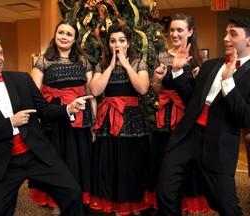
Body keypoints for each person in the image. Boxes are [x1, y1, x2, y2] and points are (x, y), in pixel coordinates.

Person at [0, 35, 93, 216]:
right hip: (4, 162)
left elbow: (44, 110)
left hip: (37, 154)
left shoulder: (22, 79)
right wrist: (10, 123)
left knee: (72, 192)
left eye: (0, 53)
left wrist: (67, 109)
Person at [156, 17, 250, 216]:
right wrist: (178, 71)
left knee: (226, 206)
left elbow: (245, 118)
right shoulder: (211, 66)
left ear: (249, 40)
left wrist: (228, 83)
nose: (225, 38)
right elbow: (192, 100)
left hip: (218, 144)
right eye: (225, 33)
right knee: (165, 190)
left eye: (233, 34)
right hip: (187, 135)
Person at [144, 13, 213, 214]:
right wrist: (157, 80)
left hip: (188, 118)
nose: (174, 34)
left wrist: (197, 78)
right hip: (165, 117)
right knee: (165, 163)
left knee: (186, 165)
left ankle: (186, 207)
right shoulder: (162, 56)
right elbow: (157, 90)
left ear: (190, 32)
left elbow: (200, 96)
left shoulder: (201, 59)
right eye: (172, 30)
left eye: (180, 30)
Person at [29, 19, 96, 216]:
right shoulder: (43, 60)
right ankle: (57, 202)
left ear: (75, 40)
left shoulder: (83, 62)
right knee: (57, 162)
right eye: (61, 32)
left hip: (80, 121)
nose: (64, 37)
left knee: (78, 162)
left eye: (69, 34)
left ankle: (78, 201)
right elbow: (34, 95)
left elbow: (91, 96)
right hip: (54, 121)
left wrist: (93, 125)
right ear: (55, 35)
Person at [89, 23, 151, 216]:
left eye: (121, 41)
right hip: (109, 118)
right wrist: (110, 66)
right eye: (113, 41)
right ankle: (117, 204)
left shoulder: (138, 63)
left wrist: (125, 64)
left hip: (132, 119)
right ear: (108, 44)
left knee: (133, 163)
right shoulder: (101, 65)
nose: (117, 45)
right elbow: (96, 90)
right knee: (111, 164)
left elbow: (142, 89)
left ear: (128, 43)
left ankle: (135, 203)